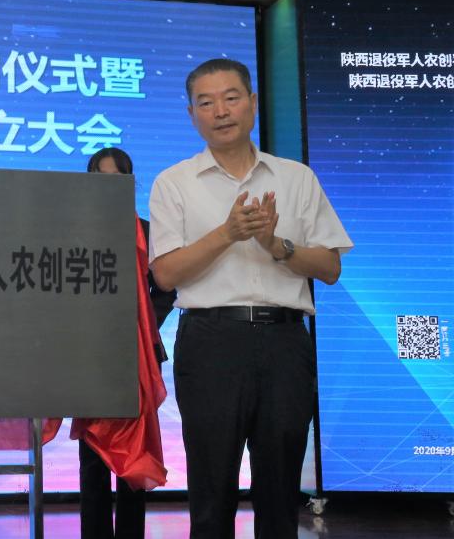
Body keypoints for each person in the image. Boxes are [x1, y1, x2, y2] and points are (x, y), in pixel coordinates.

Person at [148, 58, 352, 538]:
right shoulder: (173, 182)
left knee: (281, 493)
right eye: (206, 102)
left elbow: (330, 268)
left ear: (253, 103)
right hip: (211, 342)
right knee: (211, 491)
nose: (220, 111)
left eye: (231, 98)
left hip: (285, 343)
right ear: (192, 114)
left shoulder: (296, 178)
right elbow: (165, 273)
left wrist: (276, 245)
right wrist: (228, 233)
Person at [79, 146, 175, 539]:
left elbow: (166, 290)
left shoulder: (148, 232)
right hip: (90, 357)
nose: (108, 187)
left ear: (130, 184)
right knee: (93, 457)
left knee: (134, 457)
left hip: (138, 357)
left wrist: (141, 324)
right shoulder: (76, 231)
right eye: (100, 179)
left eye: (116, 179)